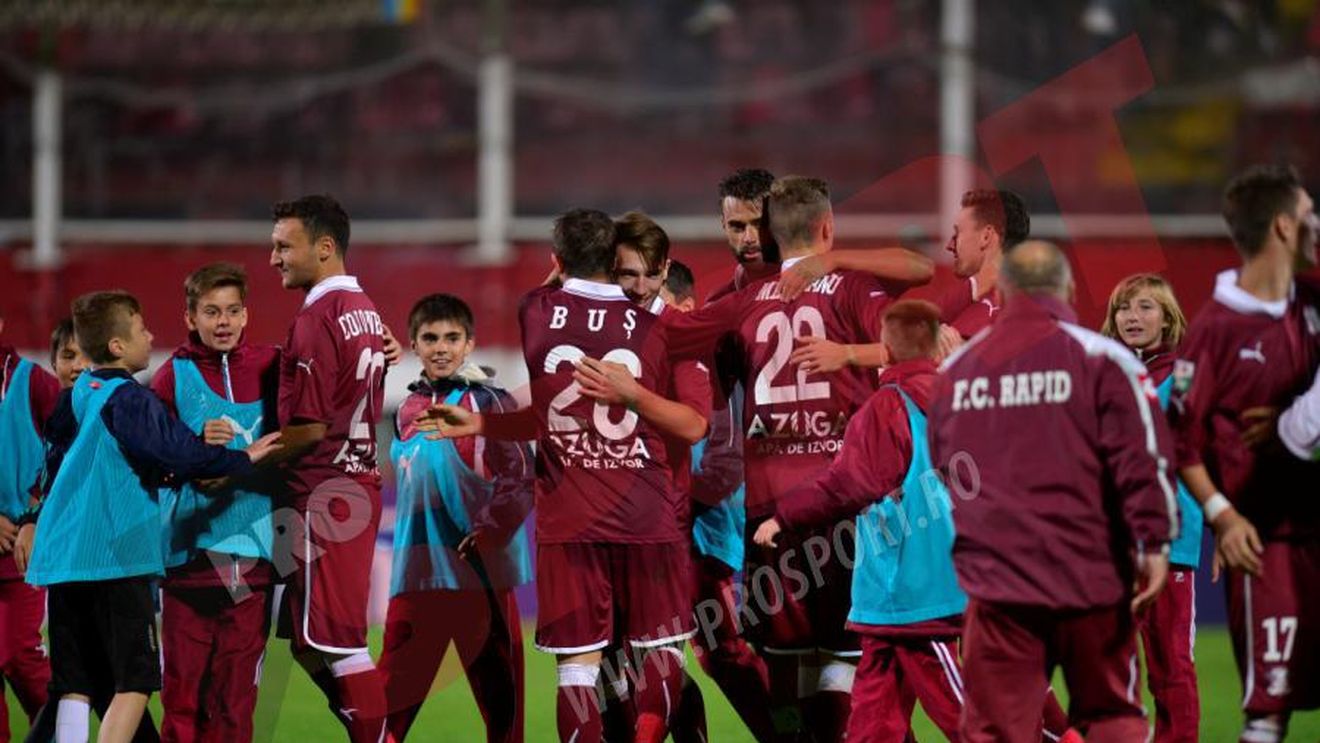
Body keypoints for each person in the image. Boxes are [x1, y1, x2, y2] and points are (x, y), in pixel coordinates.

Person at [424, 209, 696, 743]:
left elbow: (544, 406)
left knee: (577, 666)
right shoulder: (659, 327)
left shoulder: (535, 311)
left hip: (569, 516)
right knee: (661, 651)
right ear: (614, 260)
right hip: (647, 512)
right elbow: (691, 424)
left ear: (556, 260)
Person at [663, 176, 901, 741]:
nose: (747, 238)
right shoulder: (739, 301)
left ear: (778, 225)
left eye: (756, 224)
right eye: (734, 226)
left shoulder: (744, 304)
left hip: (775, 505)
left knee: (819, 657)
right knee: (819, 658)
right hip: (776, 503)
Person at [927, 240, 1176, 743]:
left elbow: (947, 469)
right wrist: (1154, 542)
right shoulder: (1103, 358)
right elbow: (1143, 460)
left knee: (997, 729)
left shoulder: (958, 372)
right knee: (1109, 715)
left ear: (1008, 289)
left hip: (998, 582)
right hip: (1091, 575)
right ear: (1064, 288)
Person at [16, 290, 279, 743]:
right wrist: (244, 457)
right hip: (116, 557)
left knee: (73, 686)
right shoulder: (131, 400)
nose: (150, 336)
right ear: (118, 346)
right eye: (141, 329)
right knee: (135, 681)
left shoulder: (79, 393)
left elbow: (56, 462)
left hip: (62, 561)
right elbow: (181, 454)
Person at [753, 299, 965, 742]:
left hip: (911, 587)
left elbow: (848, 483)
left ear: (885, 351)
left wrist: (784, 517)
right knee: (874, 712)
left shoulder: (886, 407)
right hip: (911, 586)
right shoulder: (963, 399)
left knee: (962, 710)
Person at [1167, 164, 1320, 743]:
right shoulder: (1213, 330)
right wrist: (1222, 516)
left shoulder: (1312, 302)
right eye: (1308, 212)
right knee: (1268, 708)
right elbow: (1180, 436)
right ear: (1283, 226)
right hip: (1267, 541)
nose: (1316, 224)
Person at [377, 293, 533, 742]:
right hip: (417, 580)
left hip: (480, 581)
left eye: (452, 337)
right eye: (430, 338)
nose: (441, 347)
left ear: (469, 344)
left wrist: (490, 528)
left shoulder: (492, 403)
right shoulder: (405, 411)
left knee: (504, 718)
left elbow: (521, 476)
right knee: (387, 714)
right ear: (413, 344)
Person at [265, 194, 392, 743]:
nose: (274, 258)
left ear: (323, 248)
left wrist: (239, 459)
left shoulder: (318, 317)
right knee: (302, 637)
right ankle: (367, 728)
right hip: (350, 485)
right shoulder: (365, 308)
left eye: (283, 246)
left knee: (341, 643)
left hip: (325, 493)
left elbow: (311, 427)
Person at [148, 263, 281, 743]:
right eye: (210, 312)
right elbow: (150, 458)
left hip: (251, 559)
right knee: (180, 695)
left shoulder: (275, 365)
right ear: (190, 317)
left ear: (246, 316)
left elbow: (327, 400)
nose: (222, 321)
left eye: (231, 311)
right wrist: (193, 444)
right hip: (188, 560)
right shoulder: (171, 376)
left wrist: (383, 352)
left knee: (235, 695)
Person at [1100, 273, 1201, 743]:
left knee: (1170, 665)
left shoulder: (1184, 376)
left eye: (1144, 307)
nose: (1131, 317)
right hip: (1112, 541)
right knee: (1114, 665)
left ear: (1167, 317)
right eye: (1123, 308)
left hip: (1171, 541)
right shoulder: (1105, 371)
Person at [0, 308, 60, 740]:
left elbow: (68, 456)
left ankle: (59, 732)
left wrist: (34, 519)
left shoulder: (33, 382)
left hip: (23, 547)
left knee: (22, 655)